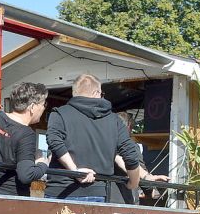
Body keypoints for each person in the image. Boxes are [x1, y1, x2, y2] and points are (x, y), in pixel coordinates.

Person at [44, 73, 140, 202]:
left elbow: (54, 142)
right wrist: (134, 182)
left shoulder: (59, 113)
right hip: (97, 191)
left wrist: (75, 171)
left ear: (74, 92)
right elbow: (129, 152)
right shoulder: (114, 120)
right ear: (97, 92)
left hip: (60, 190)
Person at [0, 82, 50, 196]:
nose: (44, 108)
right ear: (32, 107)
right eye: (43, 104)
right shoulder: (26, 134)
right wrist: (42, 164)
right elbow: (26, 175)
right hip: (8, 199)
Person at [112, 111, 169, 204]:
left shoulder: (104, 143)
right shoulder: (129, 146)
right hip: (124, 197)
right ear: (128, 127)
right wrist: (150, 191)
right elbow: (134, 165)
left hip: (102, 195)